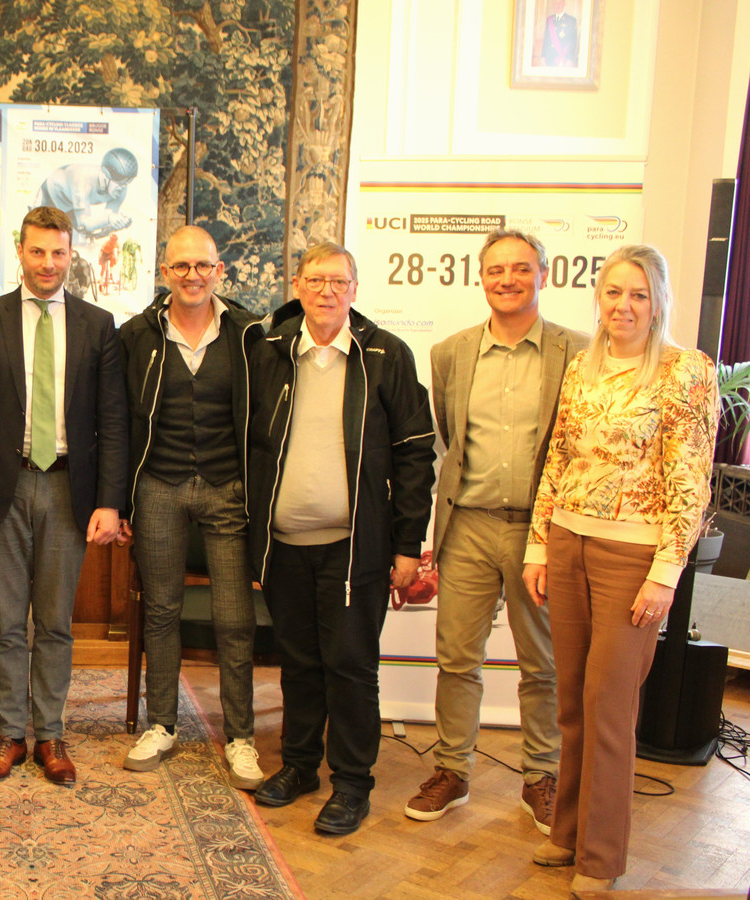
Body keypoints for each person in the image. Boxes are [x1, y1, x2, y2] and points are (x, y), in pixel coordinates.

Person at [523, 245, 717, 895]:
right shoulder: (583, 366)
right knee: (573, 701)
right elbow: (557, 458)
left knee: (609, 706)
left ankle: (600, 857)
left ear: (657, 303)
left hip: (632, 557)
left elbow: (689, 481)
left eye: (638, 294)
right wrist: (538, 546)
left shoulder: (685, 371)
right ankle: (567, 832)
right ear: (598, 299)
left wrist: (665, 573)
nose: (623, 306)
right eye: (613, 292)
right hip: (567, 543)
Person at [245, 241, 436, 835]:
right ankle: (300, 766)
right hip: (284, 545)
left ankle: (352, 783)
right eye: (316, 280)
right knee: (299, 664)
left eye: (339, 281)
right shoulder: (269, 351)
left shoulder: (385, 354)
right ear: (297, 286)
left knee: (351, 667)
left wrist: (407, 544)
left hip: (357, 547)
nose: (327, 291)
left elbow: (415, 455)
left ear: (354, 289)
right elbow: (248, 443)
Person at [407, 230, 589, 831]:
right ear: (480, 277)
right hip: (468, 528)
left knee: (544, 663)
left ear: (544, 275)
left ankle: (542, 776)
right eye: (496, 270)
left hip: (543, 534)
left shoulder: (578, 353)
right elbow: (449, 439)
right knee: (458, 658)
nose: (507, 279)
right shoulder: (450, 354)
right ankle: (452, 770)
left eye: (521, 268)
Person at [0, 205, 129, 785]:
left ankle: (50, 734)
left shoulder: (98, 325)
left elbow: (113, 421)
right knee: (6, 622)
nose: (48, 263)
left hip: (68, 490)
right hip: (2, 490)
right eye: (37, 251)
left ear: (71, 254)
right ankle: (9, 732)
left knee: (54, 623)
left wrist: (109, 501)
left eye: (58, 252)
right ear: (20, 252)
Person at [116, 226, 262, 789]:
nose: (192, 276)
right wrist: (119, 500)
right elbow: (118, 421)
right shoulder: (137, 335)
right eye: (181, 266)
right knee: (162, 611)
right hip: (159, 486)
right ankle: (162, 724)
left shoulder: (249, 335)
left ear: (219, 271)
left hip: (228, 488)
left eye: (203, 266)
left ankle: (241, 737)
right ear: (165, 272)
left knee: (234, 616)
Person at [31, 148, 138, 247]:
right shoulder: (82, 180)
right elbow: (85, 225)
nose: (123, 187)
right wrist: (109, 219)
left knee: (79, 243)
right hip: (50, 193)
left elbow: (101, 227)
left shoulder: (121, 189)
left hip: (70, 204)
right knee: (40, 238)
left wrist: (116, 224)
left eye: (128, 181)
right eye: (121, 182)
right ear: (106, 175)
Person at [540, 0, 579, 68]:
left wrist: (570, 59)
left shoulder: (571, 20)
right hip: (550, 58)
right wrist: (543, 57)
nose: (557, 5)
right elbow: (546, 40)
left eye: (560, 3)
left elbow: (573, 42)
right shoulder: (549, 19)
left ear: (564, 4)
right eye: (555, 3)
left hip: (564, 58)